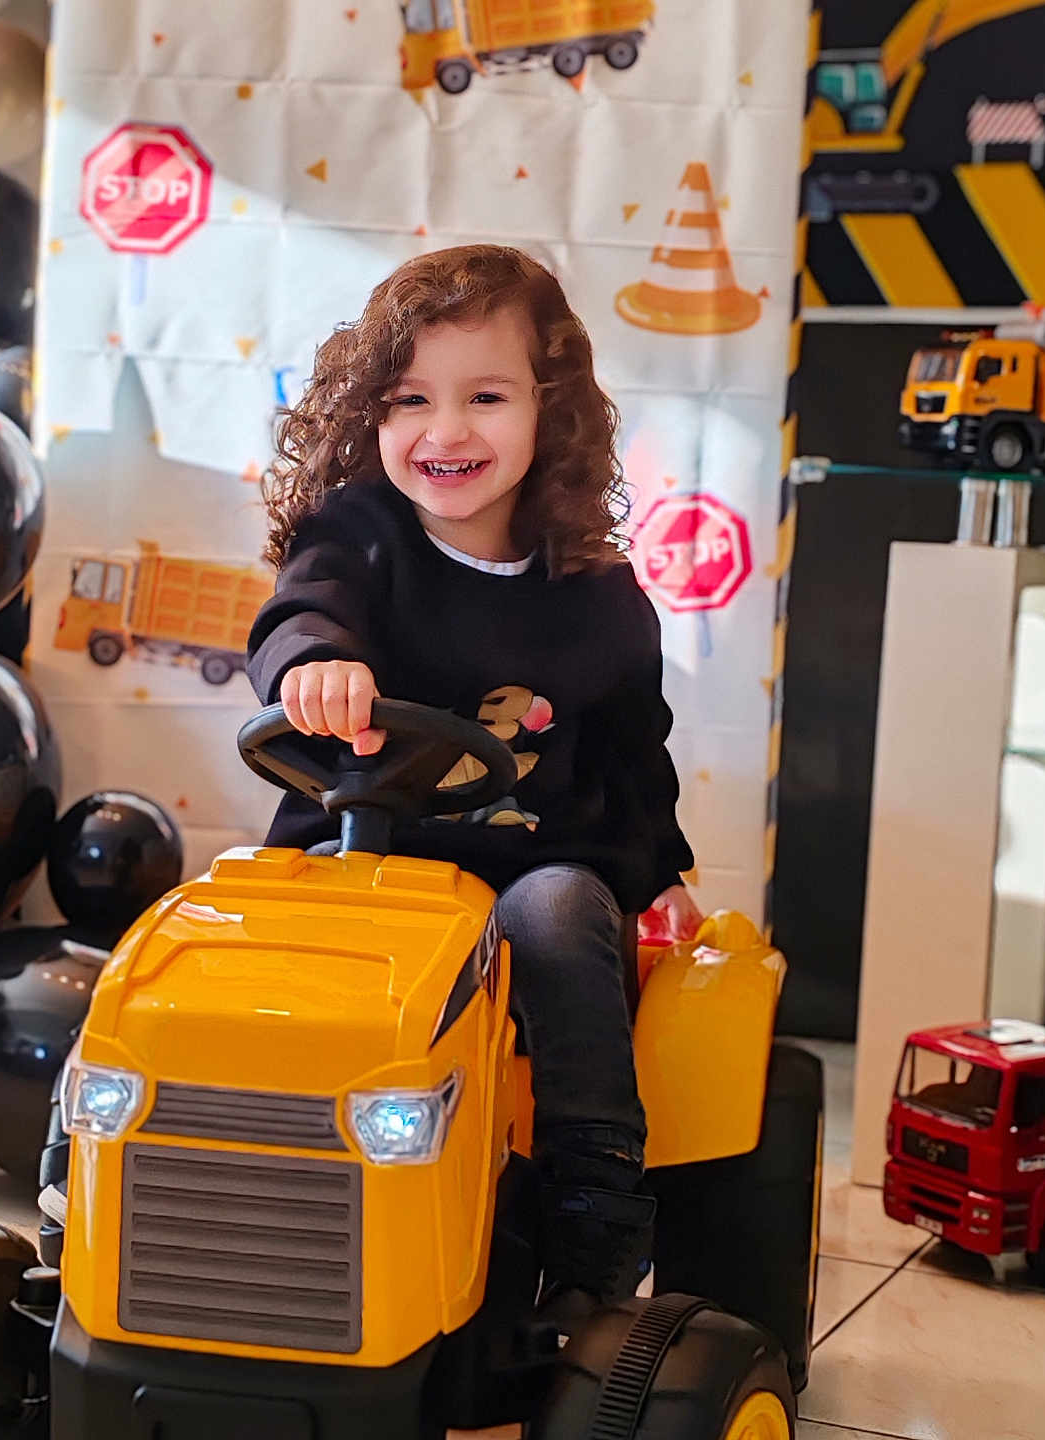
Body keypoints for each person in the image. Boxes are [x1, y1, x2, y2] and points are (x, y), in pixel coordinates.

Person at [247, 244, 700, 1314]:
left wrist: (665, 873)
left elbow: (638, 751)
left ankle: (593, 1188)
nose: (446, 432)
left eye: (485, 397)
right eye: (411, 401)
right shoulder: (358, 541)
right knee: (207, 924)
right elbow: (297, 614)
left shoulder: (599, 597)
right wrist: (317, 666)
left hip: (525, 873)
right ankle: (98, 1150)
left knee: (556, 914)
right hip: (360, 855)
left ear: (552, 413)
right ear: (370, 418)